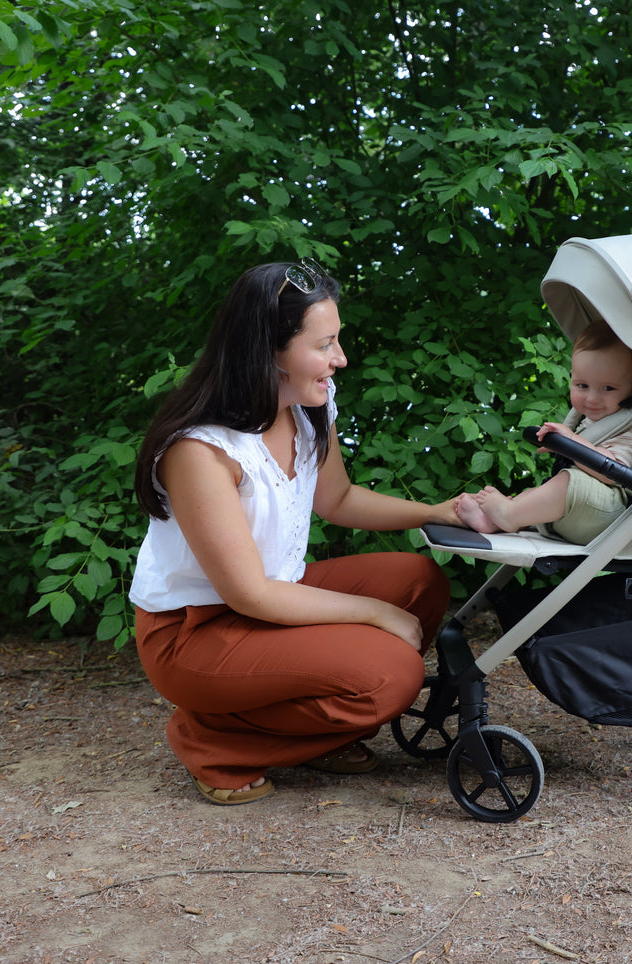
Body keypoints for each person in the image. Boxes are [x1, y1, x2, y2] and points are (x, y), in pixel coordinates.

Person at [129, 259, 460, 806]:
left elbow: (340, 499)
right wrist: (378, 614)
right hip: (192, 633)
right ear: (269, 351)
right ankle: (214, 740)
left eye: (338, 340)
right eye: (324, 344)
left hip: (272, 600)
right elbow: (249, 594)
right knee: (392, 676)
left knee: (419, 580)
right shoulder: (201, 450)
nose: (340, 359)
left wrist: (438, 512)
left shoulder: (308, 406)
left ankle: (313, 735)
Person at [455, 319, 632, 544]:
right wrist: (558, 443)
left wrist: (570, 441)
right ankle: (503, 517)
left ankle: (510, 515)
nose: (591, 398)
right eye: (582, 386)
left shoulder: (631, 428)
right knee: (542, 490)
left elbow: (613, 471)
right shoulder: (593, 419)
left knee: (567, 482)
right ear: (571, 377)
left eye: (608, 388)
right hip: (584, 513)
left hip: (619, 517)